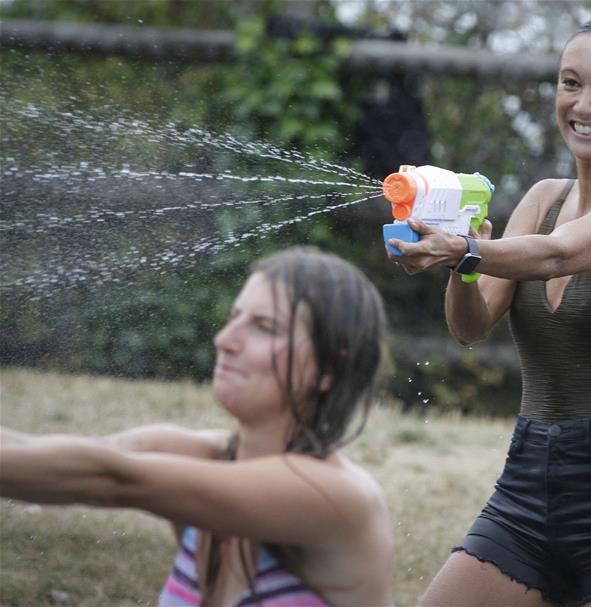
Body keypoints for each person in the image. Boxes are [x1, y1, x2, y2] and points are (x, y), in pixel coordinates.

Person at [387, 12, 591, 607]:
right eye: (569, 83)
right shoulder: (541, 200)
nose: (583, 103)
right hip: (529, 486)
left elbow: (560, 256)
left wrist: (469, 247)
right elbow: (471, 327)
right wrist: (461, 258)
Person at [0, 246, 393, 607]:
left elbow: (110, 478)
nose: (224, 340)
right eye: (233, 318)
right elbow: (38, 452)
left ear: (328, 368)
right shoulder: (204, 455)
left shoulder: (337, 497)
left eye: (263, 327)